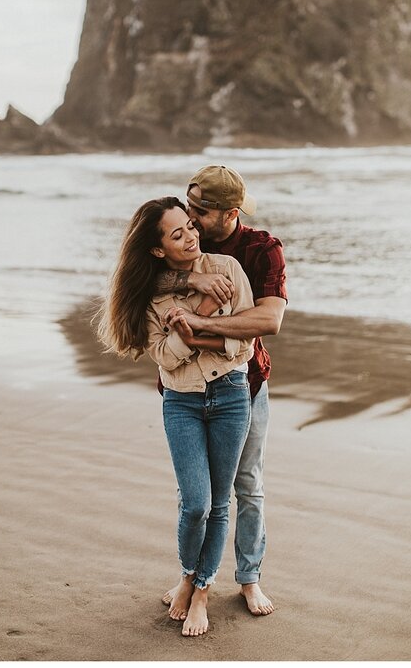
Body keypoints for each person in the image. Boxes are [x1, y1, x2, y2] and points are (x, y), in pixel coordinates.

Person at [98, 196, 255, 637]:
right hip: (181, 402)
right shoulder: (151, 291)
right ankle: (188, 572)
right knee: (196, 503)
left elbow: (244, 343)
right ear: (157, 249)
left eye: (191, 226)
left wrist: (191, 324)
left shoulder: (226, 269)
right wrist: (202, 312)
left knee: (220, 503)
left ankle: (200, 588)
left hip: (231, 395)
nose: (191, 237)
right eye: (177, 234)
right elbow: (166, 358)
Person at [155, 165, 288, 617]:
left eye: (198, 212)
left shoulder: (260, 249)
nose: (189, 220)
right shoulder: (182, 240)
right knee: (196, 495)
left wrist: (200, 323)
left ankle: (249, 579)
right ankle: (189, 577)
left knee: (246, 485)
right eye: (187, 207)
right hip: (183, 388)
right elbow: (136, 280)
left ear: (229, 214)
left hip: (244, 384)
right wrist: (190, 280)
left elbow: (268, 320)